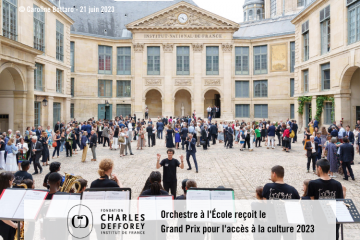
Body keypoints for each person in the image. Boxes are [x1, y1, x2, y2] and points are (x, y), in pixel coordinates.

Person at [306, 159, 343, 240]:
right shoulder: (337, 184)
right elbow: (340, 202)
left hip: (319, 219)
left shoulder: (313, 183)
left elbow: (312, 202)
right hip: (334, 219)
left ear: (319, 168)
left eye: (316, 168)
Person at [0, 172, 17, 240]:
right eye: (13, 180)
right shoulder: (4, 196)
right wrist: (15, 225)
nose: (13, 182)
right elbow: (2, 216)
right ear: (9, 181)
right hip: (6, 225)